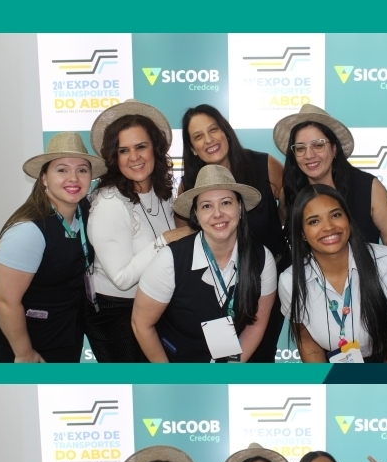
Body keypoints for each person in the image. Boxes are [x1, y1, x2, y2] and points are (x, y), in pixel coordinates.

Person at [131, 164, 277, 362]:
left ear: (240, 208)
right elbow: (141, 325)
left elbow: (256, 324)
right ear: (196, 215)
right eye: (207, 206)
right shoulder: (170, 260)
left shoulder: (262, 259)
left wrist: (230, 369)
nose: (217, 214)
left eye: (226, 203)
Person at [86, 101, 194, 361]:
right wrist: (165, 240)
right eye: (123, 150)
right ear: (114, 158)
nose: (134, 157)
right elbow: (122, 278)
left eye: (141, 147)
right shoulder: (110, 203)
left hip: (156, 304)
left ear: (155, 149)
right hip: (117, 313)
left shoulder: (162, 192)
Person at [181, 104, 287, 361]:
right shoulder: (189, 186)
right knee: (222, 361)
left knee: (260, 357)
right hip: (217, 291)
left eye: (213, 129)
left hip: (267, 284)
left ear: (226, 131)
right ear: (192, 148)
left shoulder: (265, 165)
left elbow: (288, 210)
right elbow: (186, 238)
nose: (209, 140)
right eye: (198, 136)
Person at [0, 132, 102, 363]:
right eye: (62, 170)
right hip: (25, 339)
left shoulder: (87, 212)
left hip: (65, 331)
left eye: (82, 170)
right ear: (44, 178)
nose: (73, 178)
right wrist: (24, 353)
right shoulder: (27, 231)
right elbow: (5, 301)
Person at [280, 184, 387, 363]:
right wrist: (325, 380)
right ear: (302, 234)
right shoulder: (290, 281)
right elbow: (307, 342)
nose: (328, 227)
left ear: (348, 220)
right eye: (314, 221)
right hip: (332, 365)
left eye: (335, 215)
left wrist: (384, 378)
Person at [273, 103, 387, 255]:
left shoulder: (369, 188)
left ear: (334, 149)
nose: (309, 155)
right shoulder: (290, 192)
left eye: (318, 145)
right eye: (300, 148)